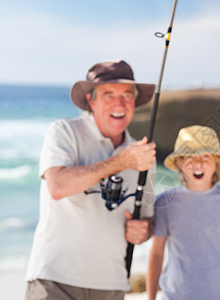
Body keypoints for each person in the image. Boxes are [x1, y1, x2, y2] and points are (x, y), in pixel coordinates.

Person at [25, 60, 157, 300]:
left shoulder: (143, 154)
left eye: (127, 95)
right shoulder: (64, 131)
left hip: (112, 285)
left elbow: (146, 221)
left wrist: (143, 231)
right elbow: (57, 186)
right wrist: (120, 162)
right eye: (109, 94)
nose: (119, 103)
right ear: (91, 101)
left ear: (134, 103)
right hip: (54, 280)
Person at [147, 125, 220, 300]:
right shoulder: (166, 202)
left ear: (217, 163)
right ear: (179, 164)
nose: (198, 163)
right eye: (189, 157)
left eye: (205, 156)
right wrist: (150, 298)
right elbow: (157, 253)